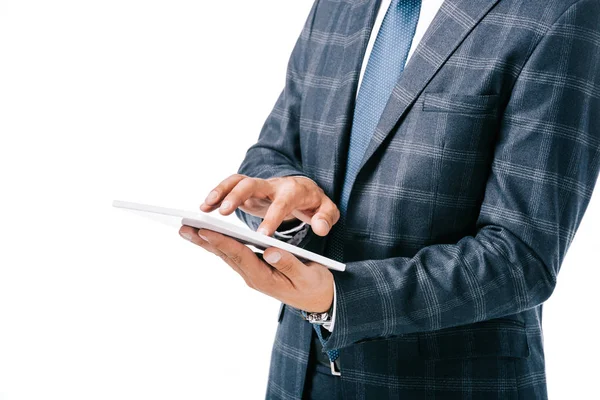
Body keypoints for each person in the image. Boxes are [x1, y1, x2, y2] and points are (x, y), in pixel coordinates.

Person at [178, 0, 600, 398]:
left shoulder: (560, 11)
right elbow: (273, 152)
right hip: (298, 369)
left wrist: (340, 298)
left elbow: (521, 258)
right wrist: (285, 202)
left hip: (444, 382)